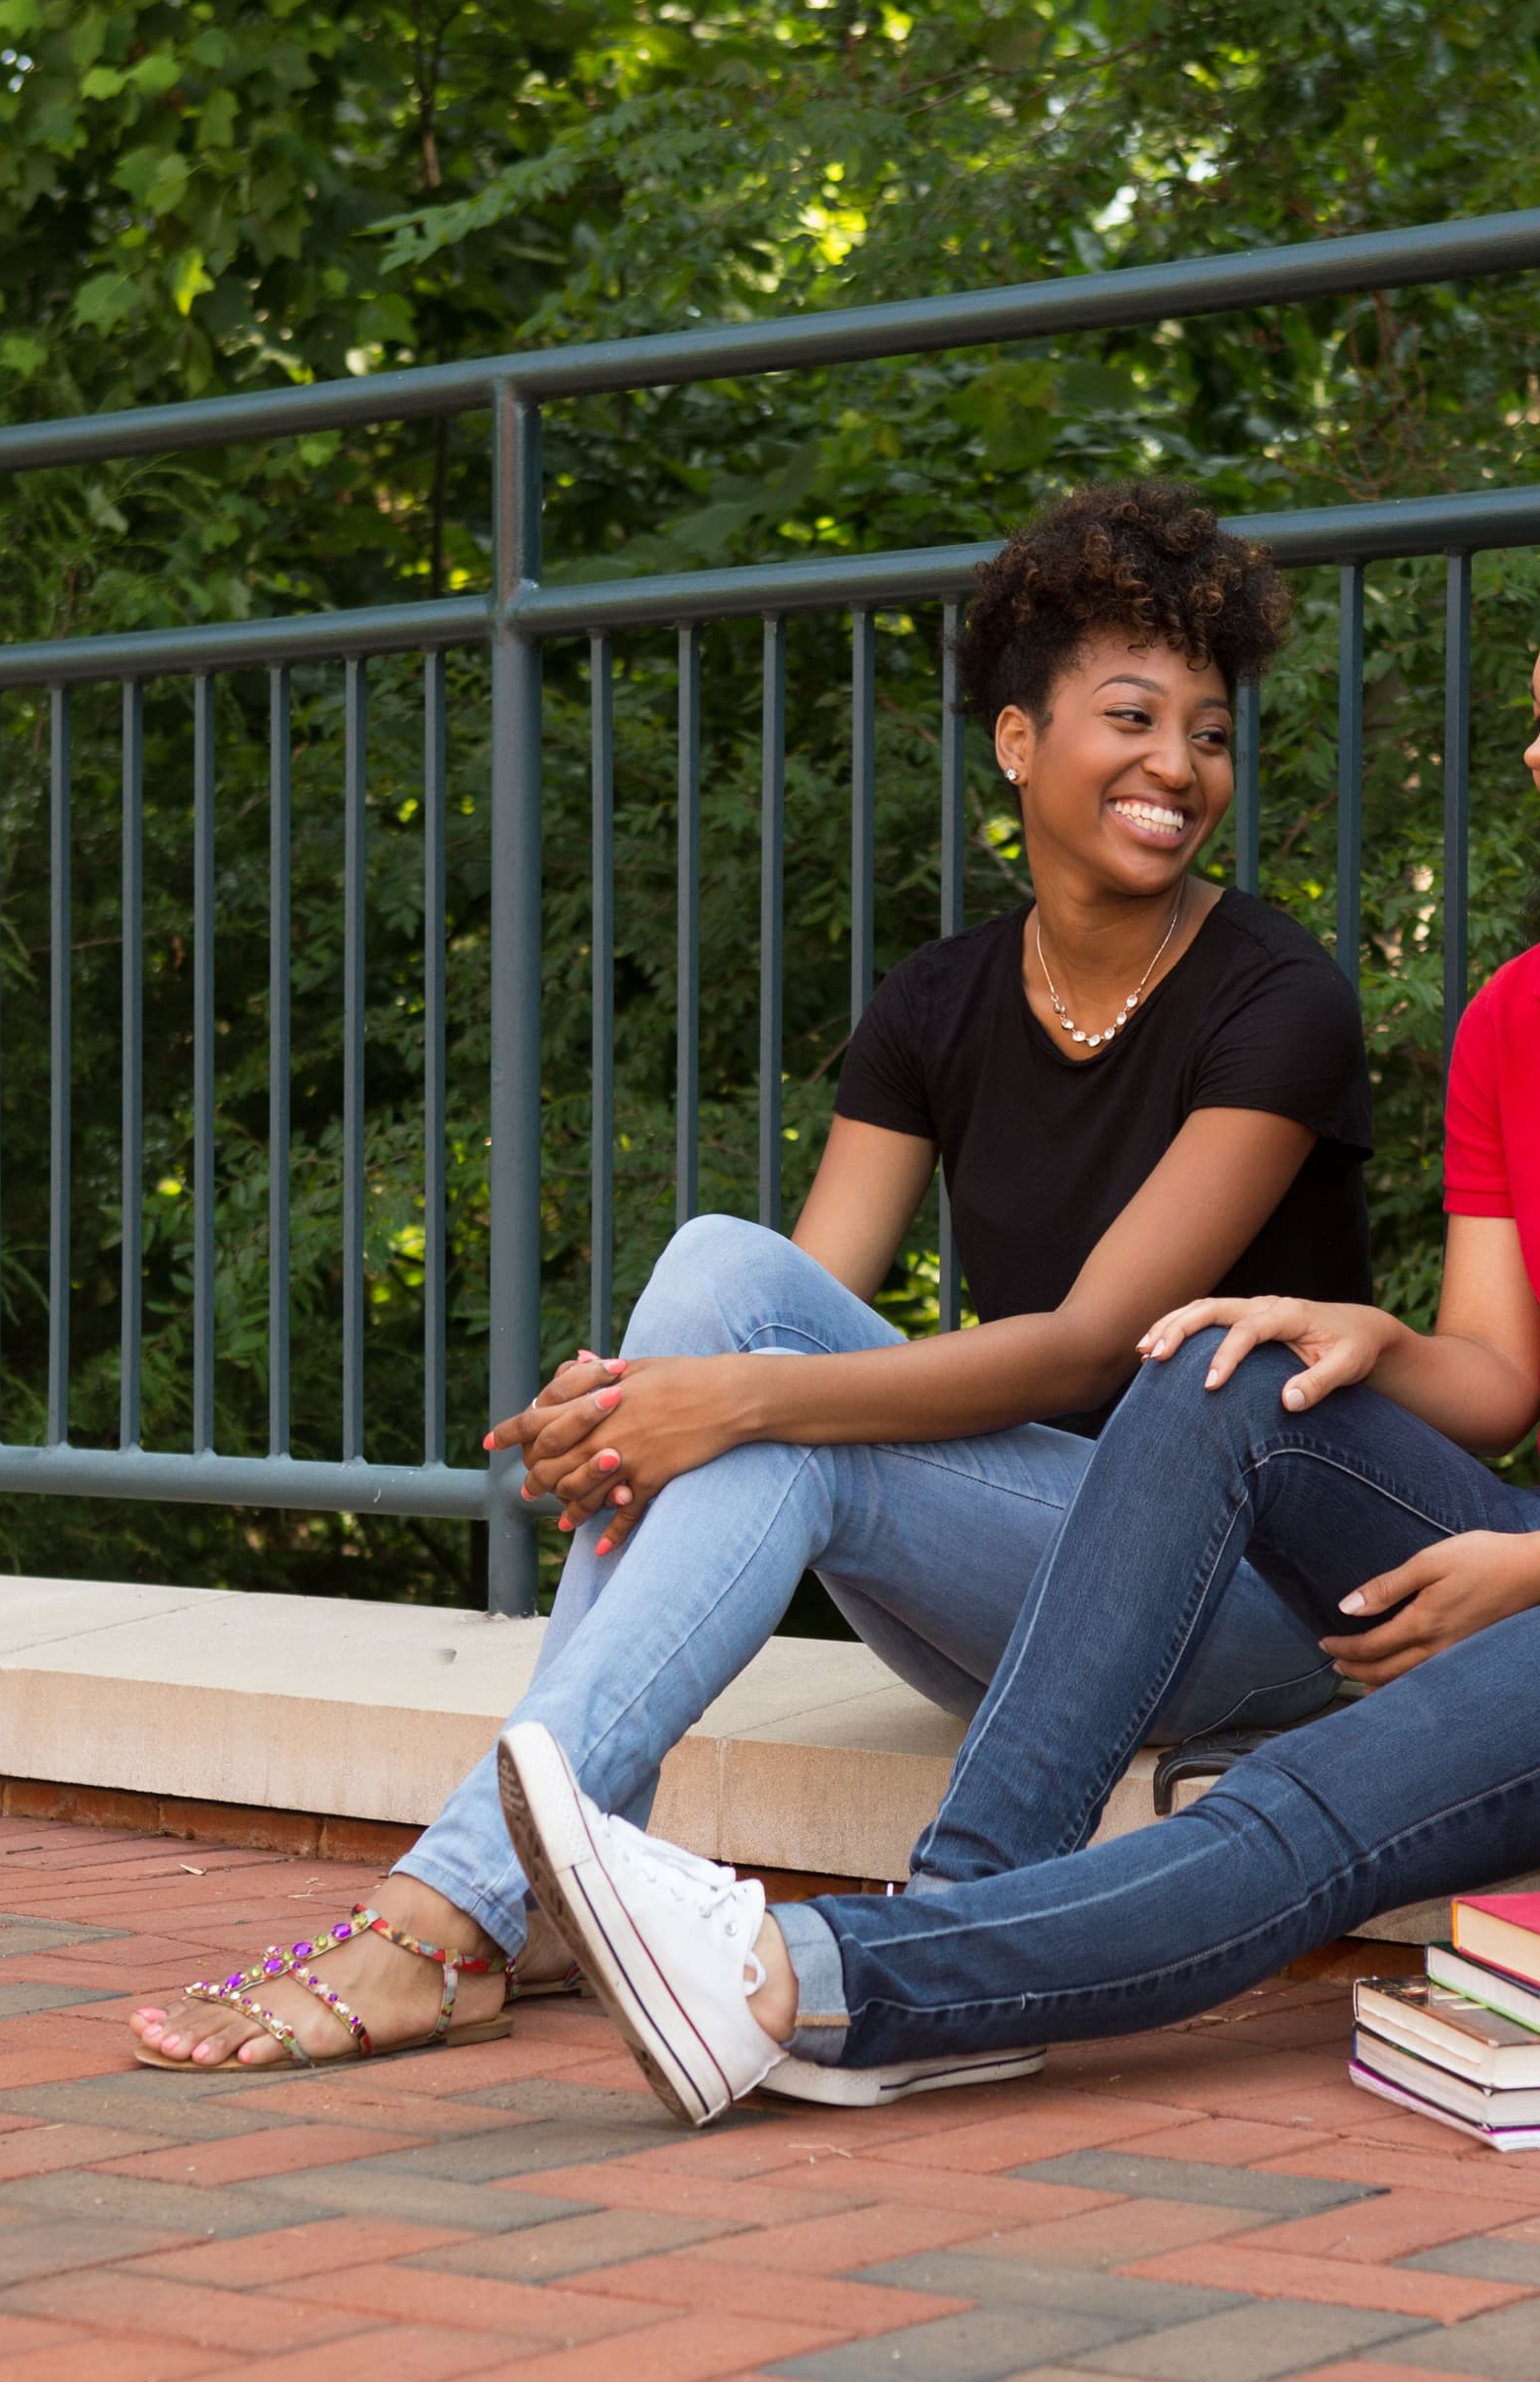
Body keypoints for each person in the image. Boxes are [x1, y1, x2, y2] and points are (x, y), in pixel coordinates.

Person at [489, 518, 1540, 2126]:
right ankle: (965, 1904)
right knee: (1217, 1359)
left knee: (1307, 1790)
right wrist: (1350, 1328)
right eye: (1539, 711)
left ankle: (831, 1976)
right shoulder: (1523, 1013)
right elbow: (1497, 1380)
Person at [131, 481, 1374, 2084]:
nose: (1179, 767)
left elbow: (1081, 1355)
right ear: (1014, 741)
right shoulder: (937, 1001)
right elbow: (778, 1299)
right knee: (719, 1271)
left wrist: (710, 1405)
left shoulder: (1278, 997)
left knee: (753, 1409)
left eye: (1210, 732)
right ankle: (544, 1886)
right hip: (1019, 1586)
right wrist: (662, 1404)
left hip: (1247, 1600)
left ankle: (454, 1916)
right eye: (1130, 717)